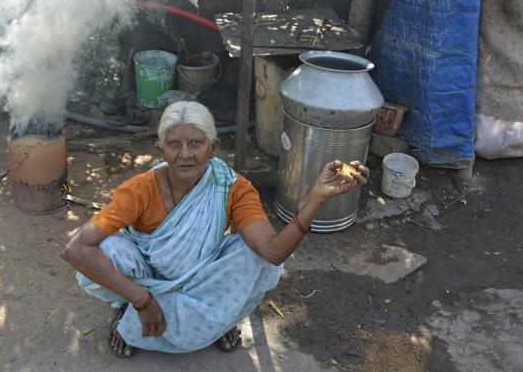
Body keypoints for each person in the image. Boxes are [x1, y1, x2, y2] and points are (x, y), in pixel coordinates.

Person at [61, 101, 369, 357]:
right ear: (160, 151)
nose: (185, 154)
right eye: (173, 144)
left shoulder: (232, 187)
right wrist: (141, 299)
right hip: (147, 274)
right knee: (104, 252)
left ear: (213, 148)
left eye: (196, 143)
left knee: (256, 259)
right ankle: (133, 306)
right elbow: (75, 249)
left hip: (202, 272)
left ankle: (219, 318)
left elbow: (273, 252)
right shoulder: (139, 190)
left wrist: (316, 199)